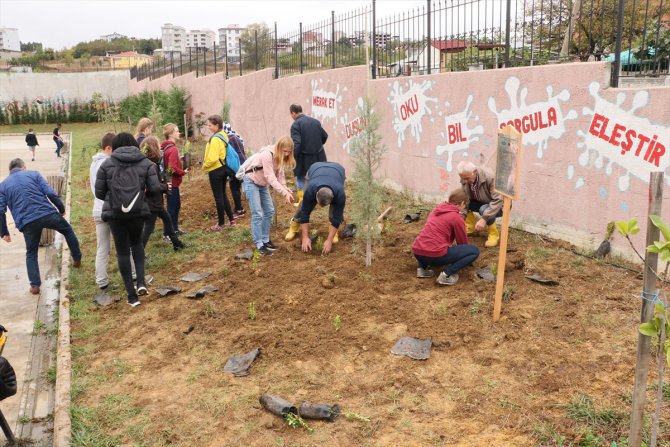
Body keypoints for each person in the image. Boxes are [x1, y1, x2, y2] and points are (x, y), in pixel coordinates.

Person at [95, 132, 161, 307]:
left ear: (115, 146)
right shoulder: (146, 163)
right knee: (137, 245)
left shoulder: (106, 164)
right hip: (138, 212)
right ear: (134, 144)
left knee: (123, 252)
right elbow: (155, 188)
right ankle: (141, 282)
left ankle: (131, 297)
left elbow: (99, 193)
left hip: (116, 215)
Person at [0, 158, 82, 295]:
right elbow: (50, 193)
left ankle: (35, 286)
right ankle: (77, 259)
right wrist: (61, 209)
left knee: (31, 252)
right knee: (67, 230)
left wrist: (4, 232)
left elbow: (0, 211)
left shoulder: (3, 186)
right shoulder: (34, 174)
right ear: (24, 167)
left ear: (10, 171)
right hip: (47, 214)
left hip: (27, 222)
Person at [90, 132, 136, 289]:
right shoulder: (109, 164)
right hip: (112, 209)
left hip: (97, 210)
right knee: (126, 245)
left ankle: (102, 281)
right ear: (108, 148)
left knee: (102, 248)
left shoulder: (94, 163)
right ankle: (134, 275)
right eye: (115, 148)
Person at [412, 189, 479, 286]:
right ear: (462, 203)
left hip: (417, 251)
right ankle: (446, 275)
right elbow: (462, 242)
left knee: (428, 241)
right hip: (435, 255)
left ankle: (421, 269)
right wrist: (465, 259)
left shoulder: (436, 210)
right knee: (474, 251)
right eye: (465, 206)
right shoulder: (456, 217)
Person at [241, 136, 295, 256]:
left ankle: (265, 240)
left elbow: (280, 175)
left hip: (262, 183)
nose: (286, 154)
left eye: (289, 152)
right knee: (257, 213)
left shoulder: (280, 157)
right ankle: (259, 244)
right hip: (251, 181)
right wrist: (284, 193)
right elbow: (270, 177)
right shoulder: (267, 154)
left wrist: (286, 188)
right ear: (279, 147)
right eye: (284, 151)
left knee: (270, 211)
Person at [285, 161, 345, 255]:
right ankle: (293, 227)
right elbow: (305, 212)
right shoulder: (311, 189)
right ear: (316, 194)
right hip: (315, 169)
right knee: (303, 206)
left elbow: (337, 217)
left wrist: (329, 240)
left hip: (337, 170)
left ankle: (333, 233)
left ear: (333, 197)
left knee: (334, 212)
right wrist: (305, 237)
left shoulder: (339, 194)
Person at [140, 136, 187, 251]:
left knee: (167, 220)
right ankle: (139, 253)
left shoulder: (147, 163)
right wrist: (166, 186)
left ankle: (176, 244)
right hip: (152, 203)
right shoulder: (152, 166)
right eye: (157, 145)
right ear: (154, 148)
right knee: (149, 228)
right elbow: (152, 186)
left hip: (155, 202)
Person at [457, 160, 504, 247]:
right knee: (463, 203)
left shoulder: (490, 177)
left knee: (484, 209)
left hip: (499, 206)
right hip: (482, 201)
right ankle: (470, 227)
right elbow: (465, 199)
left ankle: (494, 235)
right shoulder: (466, 178)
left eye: (466, 178)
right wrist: (461, 218)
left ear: (474, 172)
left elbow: (498, 200)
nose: (465, 181)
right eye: (463, 179)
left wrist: (484, 219)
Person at [289, 103, 328, 205]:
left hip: (303, 158)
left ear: (293, 113)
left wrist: (293, 157)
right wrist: (318, 146)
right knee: (316, 177)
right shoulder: (315, 122)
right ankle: (318, 198)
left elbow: (297, 143)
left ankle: (303, 201)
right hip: (318, 155)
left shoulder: (296, 125)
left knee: (301, 178)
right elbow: (325, 136)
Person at [203, 115, 237, 230]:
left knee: (218, 197)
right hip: (222, 169)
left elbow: (212, 158)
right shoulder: (223, 136)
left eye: (210, 125)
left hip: (215, 170)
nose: (208, 127)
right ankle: (231, 220)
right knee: (222, 195)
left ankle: (221, 224)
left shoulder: (216, 139)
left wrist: (204, 166)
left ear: (217, 125)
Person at [161, 123, 188, 235]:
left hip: (168, 181)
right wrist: (183, 172)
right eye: (177, 131)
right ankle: (168, 233)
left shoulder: (165, 147)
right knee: (173, 207)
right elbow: (172, 168)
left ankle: (174, 229)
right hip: (172, 182)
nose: (179, 133)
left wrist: (178, 158)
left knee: (174, 206)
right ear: (171, 134)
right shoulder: (172, 149)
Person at [223, 122, 246, 217]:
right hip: (244, 163)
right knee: (241, 186)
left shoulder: (229, 139)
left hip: (237, 166)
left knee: (235, 187)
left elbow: (231, 156)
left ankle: (239, 209)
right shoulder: (236, 136)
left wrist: (231, 170)